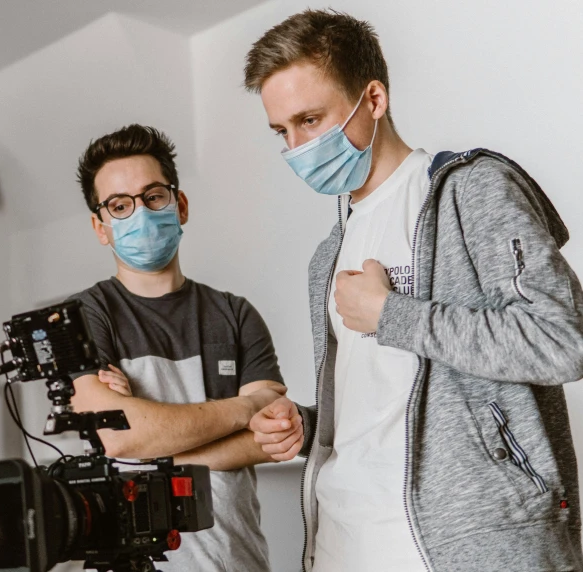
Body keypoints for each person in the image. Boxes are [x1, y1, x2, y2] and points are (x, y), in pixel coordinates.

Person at [243, 9, 583, 572]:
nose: (297, 146)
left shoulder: (470, 191)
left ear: (373, 99)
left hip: (474, 543)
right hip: (341, 544)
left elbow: (563, 340)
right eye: (282, 131)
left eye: (310, 119)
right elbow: (377, 404)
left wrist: (391, 314)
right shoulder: (327, 255)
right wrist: (307, 425)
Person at [69, 124, 292, 572]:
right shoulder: (84, 316)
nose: (141, 214)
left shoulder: (235, 314)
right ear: (101, 227)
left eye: (153, 196)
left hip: (237, 561)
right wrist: (243, 407)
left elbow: (272, 436)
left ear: (180, 204)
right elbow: (117, 435)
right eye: (119, 205)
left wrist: (145, 442)